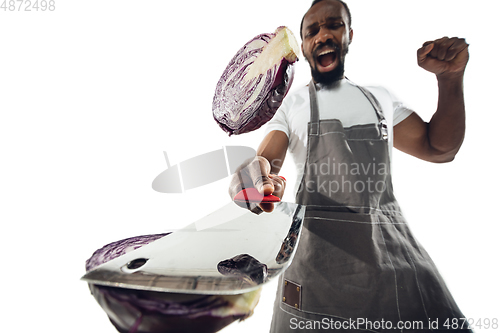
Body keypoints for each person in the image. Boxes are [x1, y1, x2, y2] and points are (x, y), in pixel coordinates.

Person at [229, 0, 471, 331]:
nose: (323, 35)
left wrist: (451, 78)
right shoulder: (293, 105)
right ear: (303, 46)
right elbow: (267, 162)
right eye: (312, 31)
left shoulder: (380, 97)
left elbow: (439, 149)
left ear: (349, 34)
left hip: (395, 257)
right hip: (317, 265)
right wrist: (253, 179)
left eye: (334, 25)